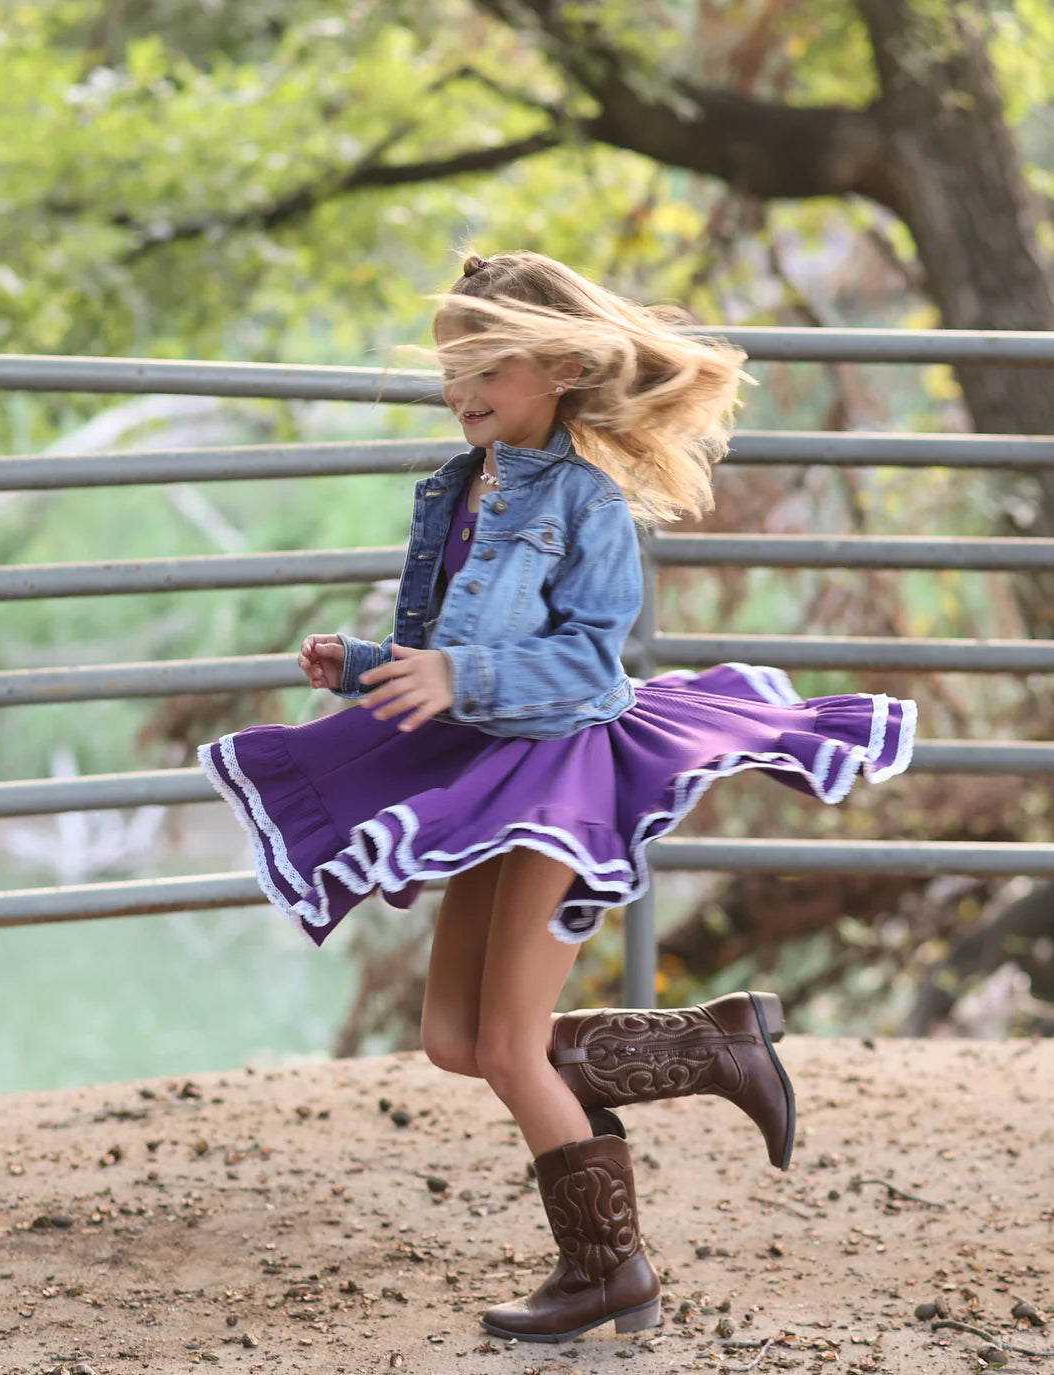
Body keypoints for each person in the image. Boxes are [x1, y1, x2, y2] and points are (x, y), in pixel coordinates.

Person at [198, 250, 916, 1344]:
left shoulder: (586, 502)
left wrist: (462, 678)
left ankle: (605, 1271)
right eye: (451, 365)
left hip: (564, 777)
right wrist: (365, 664)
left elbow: (590, 669)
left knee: (506, 1048)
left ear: (564, 365)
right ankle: (714, 1047)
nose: (461, 387)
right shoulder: (454, 486)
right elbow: (451, 642)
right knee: (454, 1035)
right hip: (485, 770)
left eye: (486, 364)